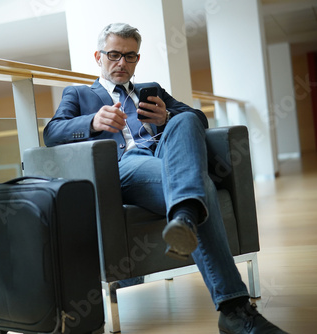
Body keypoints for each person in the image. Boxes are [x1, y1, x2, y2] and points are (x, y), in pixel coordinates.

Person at [43, 23, 288, 334]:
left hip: (166, 159)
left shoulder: (153, 90)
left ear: (137, 59)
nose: (122, 63)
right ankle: (235, 310)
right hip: (124, 168)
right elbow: (51, 133)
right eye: (115, 55)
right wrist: (92, 121)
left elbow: (197, 119)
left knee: (184, 118)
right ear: (98, 56)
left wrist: (166, 117)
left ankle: (185, 216)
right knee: (201, 185)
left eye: (130, 57)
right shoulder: (78, 94)